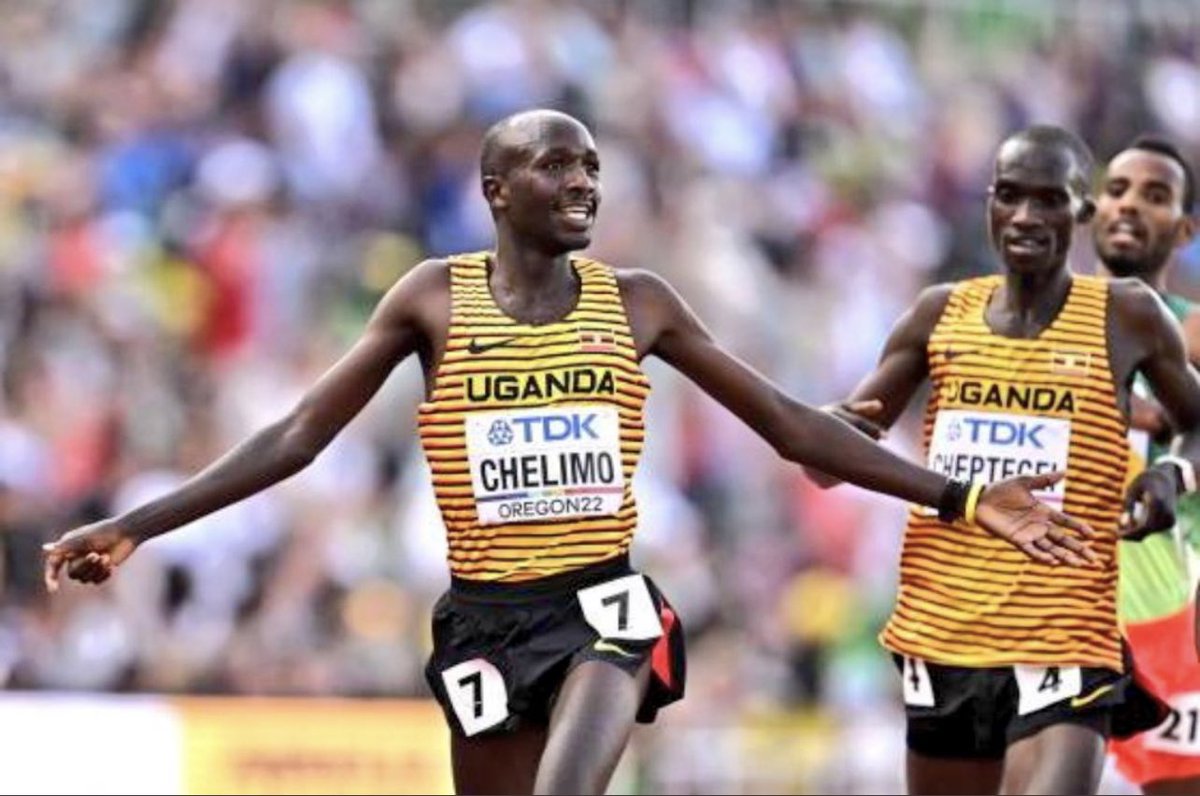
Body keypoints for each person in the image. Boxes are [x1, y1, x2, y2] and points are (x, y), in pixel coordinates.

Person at [42, 110, 1094, 796]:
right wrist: (136, 522)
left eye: (592, 167)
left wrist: (960, 496)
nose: (584, 182)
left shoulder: (638, 303)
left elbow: (790, 424)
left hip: (603, 607)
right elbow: (297, 436)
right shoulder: (431, 299)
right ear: (497, 191)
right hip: (482, 619)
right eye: (557, 166)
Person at [810, 125, 1200, 795]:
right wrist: (825, 432)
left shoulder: (1143, 321)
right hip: (960, 628)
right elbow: (827, 454)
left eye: (1048, 199)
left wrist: (1173, 473)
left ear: (1078, 210)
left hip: (1117, 620)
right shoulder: (946, 315)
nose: (1025, 216)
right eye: (1010, 196)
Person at [1093, 136, 1200, 796]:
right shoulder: (1036, 326)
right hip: (1051, 607)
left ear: (1184, 229)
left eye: (1155, 196)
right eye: (1119, 189)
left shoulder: (1191, 334)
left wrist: (1172, 448)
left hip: (1163, 614)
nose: (1131, 206)